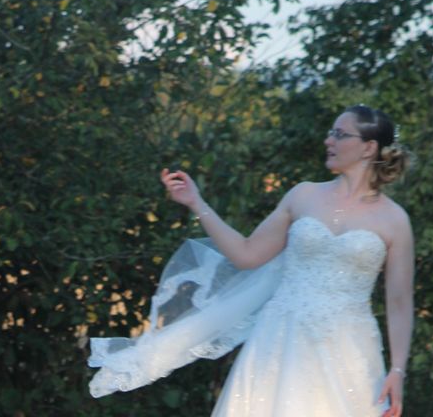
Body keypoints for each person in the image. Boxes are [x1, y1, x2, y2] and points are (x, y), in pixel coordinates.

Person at [88, 105, 414, 417]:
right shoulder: (303, 196)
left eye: (340, 135)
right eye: (331, 132)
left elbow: (399, 302)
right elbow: (246, 254)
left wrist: (397, 369)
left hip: (350, 349)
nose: (328, 141)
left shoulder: (394, 220)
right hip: (281, 341)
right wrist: (196, 202)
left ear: (369, 148)